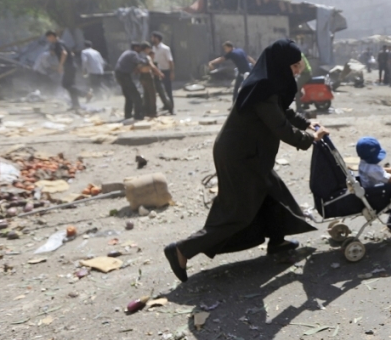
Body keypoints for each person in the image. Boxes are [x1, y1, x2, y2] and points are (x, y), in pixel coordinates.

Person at [163, 39, 330, 283]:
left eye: (298, 66)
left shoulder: (267, 84)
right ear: (281, 64)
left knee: (273, 193)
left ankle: (278, 240)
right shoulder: (263, 87)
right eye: (294, 66)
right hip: (240, 156)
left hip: (249, 153)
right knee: (238, 212)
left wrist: (307, 123)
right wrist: (310, 138)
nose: (297, 71)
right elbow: (280, 126)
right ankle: (181, 249)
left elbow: (282, 111)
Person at [46, 31, 85, 110]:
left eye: (48, 38)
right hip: (71, 66)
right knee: (71, 85)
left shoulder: (58, 44)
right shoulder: (63, 43)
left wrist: (60, 65)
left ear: (51, 36)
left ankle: (85, 94)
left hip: (69, 67)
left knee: (65, 84)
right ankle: (76, 105)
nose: (48, 40)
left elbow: (64, 53)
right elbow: (71, 53)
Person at [114, 43, 146, 120]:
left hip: (119, 75)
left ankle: (128, 114)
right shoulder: (133, 53)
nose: (140, 50)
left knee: (128, 96)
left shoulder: (127, 52)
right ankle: (138, 115)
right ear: (135, 47)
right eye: (139, 48)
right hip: (123, 75)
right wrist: (146, 60)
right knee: (136, 96)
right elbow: (139, 61)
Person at [151, 32, 175, 115]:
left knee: (168, 90)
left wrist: (171, 72)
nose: (152, 39)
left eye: (153, 37)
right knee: (159, 90)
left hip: (166, 71)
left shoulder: (165, 48)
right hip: (158, 71)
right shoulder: (153, 48)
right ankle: (166, 105)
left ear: (157, 38)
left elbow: (170, 61)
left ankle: (171, 109)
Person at [138, 42, 160, 118]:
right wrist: (159, 73)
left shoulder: (138, 56)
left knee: (146, 94)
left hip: (141, 76)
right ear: (146, 49)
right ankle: (153, 112)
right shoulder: (147, 57)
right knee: (152, 95)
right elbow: (152, 66)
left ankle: (146, 111)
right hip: (147, 76)